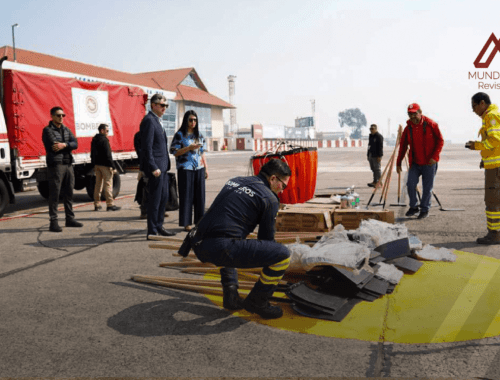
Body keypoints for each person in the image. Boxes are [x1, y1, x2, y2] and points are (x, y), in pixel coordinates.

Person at [183, 159, 291, 319]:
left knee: (231, 240)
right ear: (273, 179)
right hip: (220, 248)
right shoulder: (270, 198)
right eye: (284, 185)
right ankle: (258, 301)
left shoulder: (235, 181)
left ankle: (231, 295)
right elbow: (266, 241)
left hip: (197, 242)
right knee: (282, 255)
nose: (282, 190)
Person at [396, 103, 444, 219]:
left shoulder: (431, 124)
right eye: (410, 114)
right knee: (410, 184)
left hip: (429, 163)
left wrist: (435, 156)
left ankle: (424, 209)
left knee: (427, 188)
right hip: (416, 163)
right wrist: (398, 163)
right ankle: (414, 206)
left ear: (420, 112)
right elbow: (403, 146)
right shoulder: (408, 129)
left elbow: (440, 141)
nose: (412, 117)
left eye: (414, 114)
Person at [139, 94, 176, 239]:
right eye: (162, 105)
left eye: (166, 106)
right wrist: (153, 166)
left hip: (163, 168)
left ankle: (159, 226)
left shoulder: (157, 120)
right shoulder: (149, 121)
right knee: (155, 200)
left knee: (163, 198)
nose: (164, 108)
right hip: (156, 169)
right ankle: (152, 231)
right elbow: (146, 148)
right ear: (153, 105)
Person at [41, 107, 83, 232]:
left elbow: (75, 143)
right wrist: (68, 145)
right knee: (55, 194)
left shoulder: (66, 129)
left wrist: (64, 145)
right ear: (52, 116)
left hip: (68, 163)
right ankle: (53, 222)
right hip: (56, 165)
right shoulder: (47, 130)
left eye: (63, 115)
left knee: (69, 192)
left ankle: (69, 219)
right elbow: (53, 146)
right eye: (59, 115)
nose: (61, 117)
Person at [467, 92, 500, 245]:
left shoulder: (491, 117)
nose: (473, 110)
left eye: (474, 106)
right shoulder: (490, 116)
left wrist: (476, 146)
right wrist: (484, 159)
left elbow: (494, 141)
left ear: (482, 103)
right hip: (492, 164)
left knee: (492, 201)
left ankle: (494, 235)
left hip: (496, 168)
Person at [170, 110, 209, 231]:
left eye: (195, 120)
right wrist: (188, 148)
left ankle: (199, 222)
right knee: (186, 196)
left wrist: (206, 168)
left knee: (200, 196)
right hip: (185, 168)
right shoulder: (180, 135)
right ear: (186, 121)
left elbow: (202, 153)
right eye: (191, 120)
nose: (193, 122)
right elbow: (174, 152)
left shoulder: (199, 135)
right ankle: (186, 223)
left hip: (199, 168)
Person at [90, 124, 120, 211]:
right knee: (108, 184)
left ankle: (97, 204)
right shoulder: (104, 140)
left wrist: (93, 164)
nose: (108, 132)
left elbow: (92, 154)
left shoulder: (94, 139)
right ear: (102, 130)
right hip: (105, 165)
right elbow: (108, 155)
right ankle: (110, 204)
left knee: (98, 185)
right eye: (107, 131)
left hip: (97, 165)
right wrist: (113, 167)